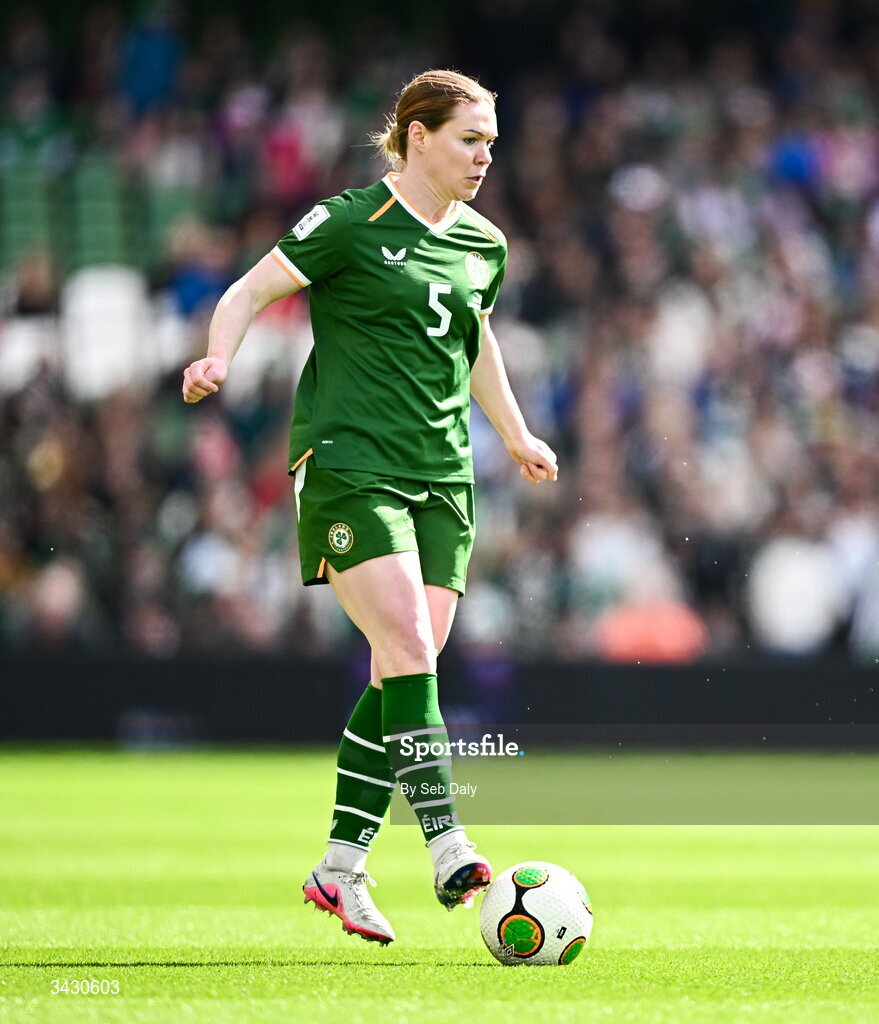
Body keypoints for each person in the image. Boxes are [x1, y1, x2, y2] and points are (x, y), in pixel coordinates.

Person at [182, 69, 558, 946]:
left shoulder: (483, 244)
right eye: (470, 139)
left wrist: (514, 433)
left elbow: (474, 344)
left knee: (402, 672)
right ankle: (444, 840)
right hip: (352, 464)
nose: (483, 158)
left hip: (444, 476)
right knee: (410, 648)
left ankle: (340, 868)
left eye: (492, 144)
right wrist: (218, 358)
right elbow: (246, 292)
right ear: (416, 135)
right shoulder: (351, 223)